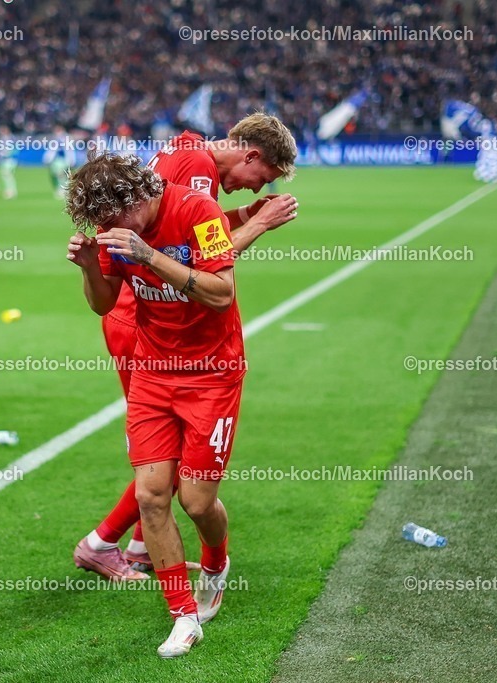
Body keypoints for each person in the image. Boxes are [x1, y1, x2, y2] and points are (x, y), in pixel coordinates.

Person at [74, 114, 300, 586]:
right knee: (167, 452)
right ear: (250, 155)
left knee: (169, 460)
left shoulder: (187, 149)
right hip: (148, 314)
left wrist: (248, 215)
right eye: (263, 177)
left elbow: (193, 233)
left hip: (144, 310)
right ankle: (102, 543)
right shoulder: (198, 166)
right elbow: (201, 260)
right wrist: (259, 224)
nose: (255, 188)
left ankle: (140, 546)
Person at [67, 151, 263, 657]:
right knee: (152, 495)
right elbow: (104, 302)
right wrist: (90, 268)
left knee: (196, 502)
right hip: (152, 372)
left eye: (113, 216)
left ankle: (216, 564)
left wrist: (150, 256)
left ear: (138, 195)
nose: (108, 226)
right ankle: (182, 615)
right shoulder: (114, 228)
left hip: (213, 375)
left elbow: (221, 293)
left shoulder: (200, 211)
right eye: (100, 220)